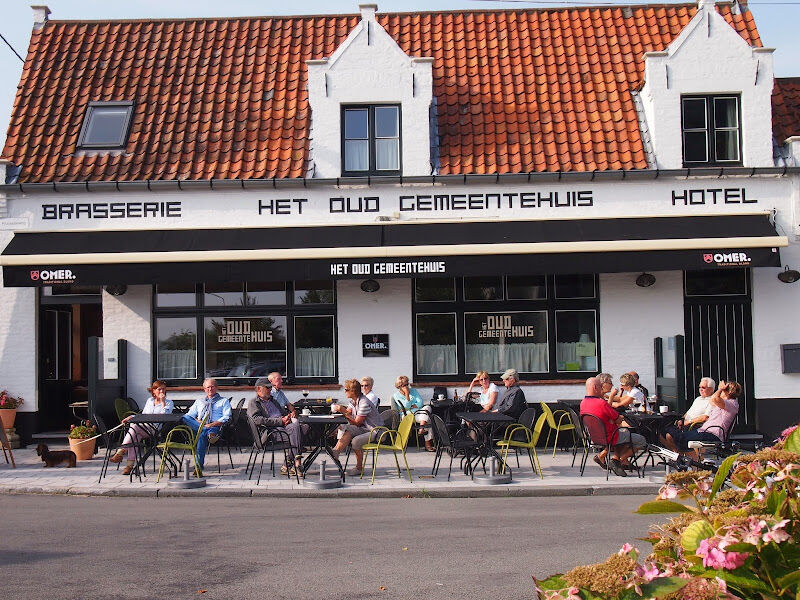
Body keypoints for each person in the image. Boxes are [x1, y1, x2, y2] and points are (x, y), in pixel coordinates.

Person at [580, 377, 647, 477]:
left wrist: (612, 420)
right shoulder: (601, 403)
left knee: (623, 433)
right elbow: (618, 420)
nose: (602, 389)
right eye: (600, 387)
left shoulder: (583, 403)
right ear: (595, 388)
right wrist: (615, 419)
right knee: (640, 440)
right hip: (611, 436)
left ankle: (612, 459)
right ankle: (618, 460)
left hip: (595, 438)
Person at [110, 380, 174, 475]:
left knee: (134, 427)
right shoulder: (150, 401)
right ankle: (129, 466)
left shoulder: (169, 403)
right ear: (154, 391)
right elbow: (143, 415)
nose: (162, 392)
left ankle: (121, 451)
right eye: (159, 389)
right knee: (135, 437)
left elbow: (164, 416)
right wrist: (131, 417)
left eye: (163, 389)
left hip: (155, 430)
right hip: (143, 428)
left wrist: (163, 402)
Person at [247, 377, 309, 475]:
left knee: (304, 427)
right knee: (296, 429)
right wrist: (280, 421)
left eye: (270, 387)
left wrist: (288, 416)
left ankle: (288, 464)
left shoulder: (273, 400)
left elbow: (283, 413)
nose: (270, 389)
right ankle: (296, 463)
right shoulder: (254, 403)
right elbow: (257, 420)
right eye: (267, 387)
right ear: (258, 389)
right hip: (271, 432)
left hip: (283, 428)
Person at [661, 380, 741, 452]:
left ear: (727, 392)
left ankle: (691, 461)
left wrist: (720, 389)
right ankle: (685, 460)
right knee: (667, 433)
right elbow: (713, 401)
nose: (720, 393)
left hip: (713, 434)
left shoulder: (732, 404)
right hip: (704, 431)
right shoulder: (724, 403)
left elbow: (714, 399)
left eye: (723, 390)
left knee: (680, 438)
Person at [332, 379, 385, 474]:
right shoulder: (354, 401)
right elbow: (348, 412)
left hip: (376, 431)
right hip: (365, 428)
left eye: (346, 389)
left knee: (356, 441)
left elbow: (357, 422)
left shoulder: (364, 403)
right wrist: (341, 411)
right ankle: (336, 451)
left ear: (353, 391)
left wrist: (342, 411)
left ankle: (359, 468)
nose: (344, 391)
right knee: (346, 428)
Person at [181, 378, 231, 474]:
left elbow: (226, 417)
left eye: (212, 387)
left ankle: (198, 467)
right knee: (185, 417)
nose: (210, 389)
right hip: (199, 426)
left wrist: (211, 424)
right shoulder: (199, 401)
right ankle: (207, 432)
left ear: (216, 388)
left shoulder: (224, 401)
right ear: (204, 389)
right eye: (208, 387)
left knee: (201, 435)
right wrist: (201, 423)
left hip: (215, 425)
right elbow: (190, 415)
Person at [391, 375, 434, 451]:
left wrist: (412, 406)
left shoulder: (414, 391)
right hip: (407, 415)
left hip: (418, 413)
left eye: (407, 384)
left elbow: (420, 403)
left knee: (427, 408)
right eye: (404, 385)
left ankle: (421, 428)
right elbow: (405, 406)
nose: (407, 387)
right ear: (399, 386)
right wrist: (407, 394)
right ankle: (427, 443)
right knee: (428, 418)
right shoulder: (396, 395)